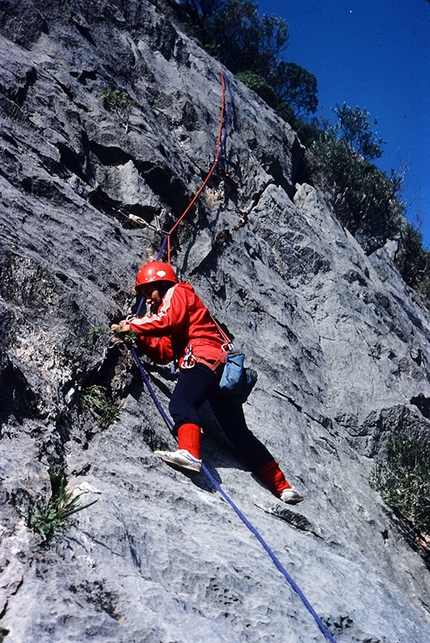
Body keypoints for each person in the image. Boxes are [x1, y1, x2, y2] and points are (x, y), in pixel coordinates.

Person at [111, 261, 304, 505]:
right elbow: (164, 353)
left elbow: (166, 321)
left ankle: (190, 454)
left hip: (202, 358)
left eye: (149, 292)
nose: (148, 300)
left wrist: (132, 325)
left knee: (182, 402)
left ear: (161, 283)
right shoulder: (180, 314)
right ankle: (284, 487)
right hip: (218, 367)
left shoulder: (177, 292)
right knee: (238, 434)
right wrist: (135, 337)